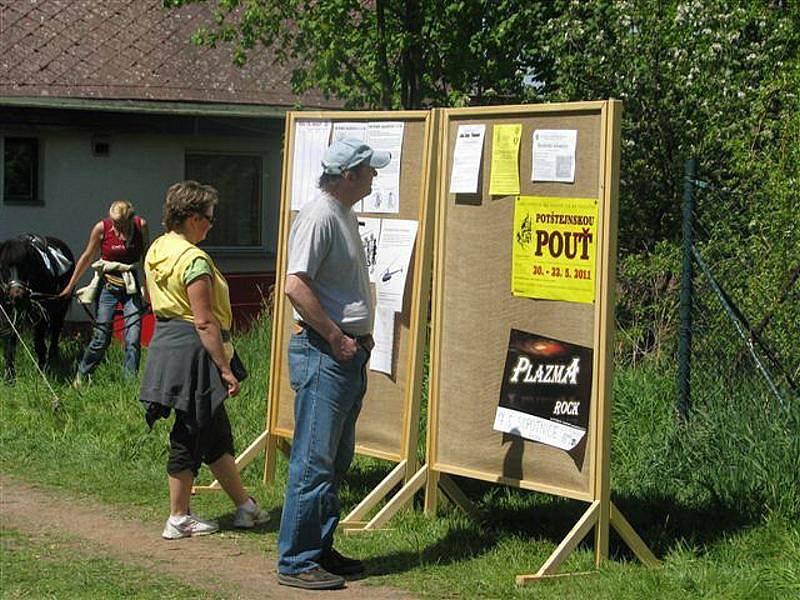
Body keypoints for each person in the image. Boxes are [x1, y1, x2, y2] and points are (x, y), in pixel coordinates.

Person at [277, 138, 389, 590]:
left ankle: (318, 549)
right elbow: (295, 286)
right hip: (326, 354)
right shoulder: (321, 215)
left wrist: (356, 336)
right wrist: (338, 336)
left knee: (334, 460)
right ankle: (297, 560)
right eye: (369, 171)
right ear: (349, 175)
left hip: (343, 354)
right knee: (314, 461)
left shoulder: (340, 212)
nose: (374, 177)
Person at [139, 180, 269, 540]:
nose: (212, 224)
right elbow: (204, 319)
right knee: (190, 431)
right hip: (194, 349)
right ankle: (178, 517)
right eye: (209, 218)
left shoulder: (157, 248)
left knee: (213, 430)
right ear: (193, 218)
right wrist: (224, 368)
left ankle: (245, 507)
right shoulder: (193, 259)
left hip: (167, 343)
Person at [60, 200, 148, 382]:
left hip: (131, 288)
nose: (117, 228)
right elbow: (87, 257)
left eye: (122, 224)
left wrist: (149, 290)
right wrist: (70, 286)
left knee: (133, 339)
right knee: (101, 338)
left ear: (131, 219)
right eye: (115, 223)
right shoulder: (101, 228)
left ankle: (128, 384)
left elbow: (147, 259)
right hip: (108, 287)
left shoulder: (141, 226)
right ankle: (81, 377)